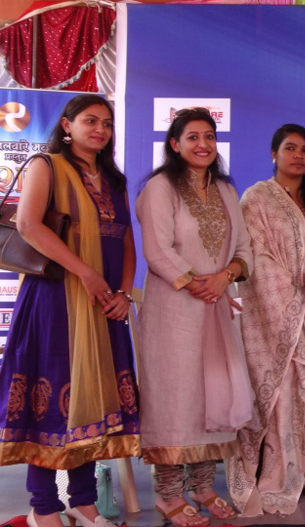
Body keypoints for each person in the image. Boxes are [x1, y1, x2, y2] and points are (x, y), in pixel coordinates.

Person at [0, 95, 139, 527]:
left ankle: (83, 502)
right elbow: (28, 225)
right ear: (66, 125)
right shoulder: (47, 166)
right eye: (90, 121)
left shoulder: (114, 180)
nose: (100, 130)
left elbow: (127, 241)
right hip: (54, 300)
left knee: (91, 398)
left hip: (103, 303)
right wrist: (86, 273)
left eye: (107, 124)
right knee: (50, 397)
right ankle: (43, 506)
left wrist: (123, 292)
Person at [137, 107, 253, 525]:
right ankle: (169, 494)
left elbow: (244, 249)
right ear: (174, 144)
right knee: (175, 397)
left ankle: (203, 487)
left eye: (209, 136)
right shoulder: (160, 187)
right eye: (192, 137)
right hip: (174, 310)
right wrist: (195, 283)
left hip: (217, 305)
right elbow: (157, 250)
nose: (203, 144)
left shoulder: (225, 190)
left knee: (213, 393)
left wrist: (224, 277)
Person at [227, 125, 305, 515]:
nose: (298, 155)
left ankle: (302, 471)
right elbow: (255, 255)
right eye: (290, 148)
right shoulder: (256, 198)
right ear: (273, 154)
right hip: (273, 311)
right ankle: (266, 472)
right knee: (273, 390)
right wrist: (294, 300)